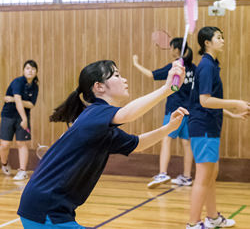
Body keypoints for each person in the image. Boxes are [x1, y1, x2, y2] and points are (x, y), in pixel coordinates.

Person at [17, 59, 188, 229]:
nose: (124, 80)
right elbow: (128, 114)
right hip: (46, 208)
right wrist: (167, 88)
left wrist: (169, 128)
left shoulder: (101, 127)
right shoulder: (95, 112)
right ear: (99, 86)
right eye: (117, 75)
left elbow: (138, 144)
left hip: (48, 208)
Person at [186, 27, 250, 229]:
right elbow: (205, 101)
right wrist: (236, 103)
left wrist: (232, 113)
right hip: (203, 128)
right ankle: (193, 223)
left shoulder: (211, 65)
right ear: (207, 42)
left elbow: (206, 101)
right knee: (204, 177)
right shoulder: (206, 66)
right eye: (218, 37)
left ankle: (212, 218)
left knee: (211, 174)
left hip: (209, 126)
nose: (222, 40)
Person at [133, 38, 196, 188]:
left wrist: (136, 63)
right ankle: (187, 177)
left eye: (171, 48)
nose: (170, 51)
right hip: (189, 111)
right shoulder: (194, 68)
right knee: (187, 144)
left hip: (174, 110)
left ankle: (162, 173)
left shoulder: (174, 67)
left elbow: (150, 74)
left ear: (176, 50)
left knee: (167, 139)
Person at [0, 60, 39, 181]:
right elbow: (19, 101)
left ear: (36, 72)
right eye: (27, 68)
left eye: (33, 69)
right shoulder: (18, 82)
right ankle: (5, 164)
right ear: (23, 70)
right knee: (4, 145)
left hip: (22, 117)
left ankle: (22, 171)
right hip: (9, 116)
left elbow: (31, 105)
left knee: (22, 144)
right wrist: (24, 118)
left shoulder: (35, 86)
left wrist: (13, 99)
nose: (30, 71)